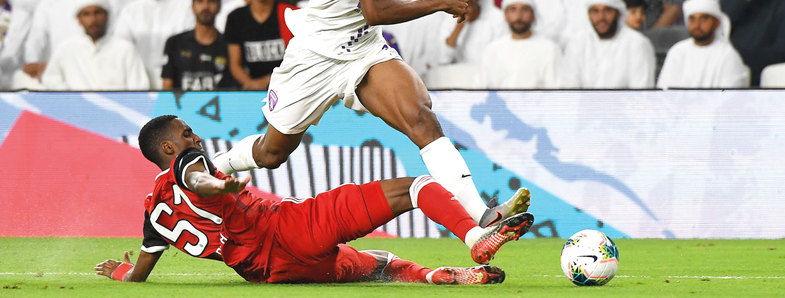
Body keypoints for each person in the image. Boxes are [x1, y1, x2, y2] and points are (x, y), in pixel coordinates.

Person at [212, 0, 530, 228]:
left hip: (363, 51)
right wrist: (440, 1)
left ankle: (481, 215)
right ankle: (217, 166)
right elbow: (376, 10)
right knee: (272, 153)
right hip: (316, 56)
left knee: (420, 116)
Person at [95, 115, 534, 284]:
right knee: (415, 187)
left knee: (382, 265)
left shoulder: (153, 214)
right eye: (187, 133)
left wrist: (120, 272)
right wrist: (218, 186)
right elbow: (195, 177)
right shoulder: (187, 163)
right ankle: (475, 236)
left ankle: (436, 276)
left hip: (270, 272)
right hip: (288, 228)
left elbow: (140, 275)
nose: (195, 138)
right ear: (168, 148)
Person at [114, 0, 194, 88]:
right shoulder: (130, 11)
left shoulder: (185, 8)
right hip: (136, 81)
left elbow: (188, 46)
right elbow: (121, 47)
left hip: (175, 80)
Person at [41, 0, 149, 90]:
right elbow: (50, 80)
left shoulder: (125, 49)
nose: (93, 20)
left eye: (98, 13)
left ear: (106, 16)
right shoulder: (66, 49)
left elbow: (139, 88)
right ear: (79, 19)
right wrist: (73, 98)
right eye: (86, 14)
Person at [223, 0, 294, 90]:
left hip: (287, 87)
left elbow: (300, 59)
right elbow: (234, 64)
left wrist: (268, 81)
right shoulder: (235, 18)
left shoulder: (290, 14)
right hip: (249, 91)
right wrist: (251, 84)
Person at [563, 0, 656, 88]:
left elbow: (641, 91)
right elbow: (570, 88)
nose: (601, 17)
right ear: (589, 15)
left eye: (607, 11)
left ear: (617, 14)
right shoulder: (577, 42)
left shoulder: (637, 43)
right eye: (595, 11)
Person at [657, 0, 749, 89]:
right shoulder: (677, 51)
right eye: (692, 19)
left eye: (704, 19)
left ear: (716, 23)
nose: (697, 25)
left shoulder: (727, 55)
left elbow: (729, 94)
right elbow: (664, 89)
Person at [481, 0, 562, 89]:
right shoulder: (492, 49)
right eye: (513, 9)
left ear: (533, 15)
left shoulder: (549, 49)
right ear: (505, 16)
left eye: (525, 9)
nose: (518, 16)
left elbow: (556, 89)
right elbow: (481, 87)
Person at [162, 0, 233, 91]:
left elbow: (233, 90)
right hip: (181, 102)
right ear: (193, 7)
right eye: (200, 1)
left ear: (219, 6)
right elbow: (166, 88)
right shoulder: (174, 42)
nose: (205, 7)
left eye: (211, 1)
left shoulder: (229, 45)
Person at [383, 0, 442, 76]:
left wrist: (413, 71)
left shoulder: (432, 10)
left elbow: (433, 50)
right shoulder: (386, 4)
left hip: (418, 75)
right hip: (385, 71)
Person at [437, 0, 508, 67]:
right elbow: (443, 59)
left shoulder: (497, 17)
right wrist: (459, 26)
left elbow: (503, 55)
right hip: (458, 74)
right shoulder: (449, 19)